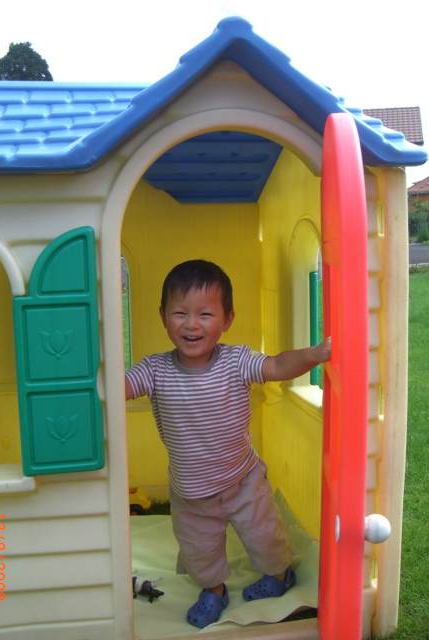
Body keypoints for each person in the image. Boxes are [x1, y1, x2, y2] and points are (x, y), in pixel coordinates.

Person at [125, 259, 331, 628]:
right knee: (199, 552)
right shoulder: (154, 370)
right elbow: (120, 387)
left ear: (228, 319)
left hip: (243, 481)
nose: (191, 324)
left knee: (265, 537)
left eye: (205, 314)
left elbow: (278, 366)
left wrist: (314, 355)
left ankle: (278, 575)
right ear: (162, 317)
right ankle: (214, 591)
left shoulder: (236, 361)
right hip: (191, 492)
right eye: (179, 313)